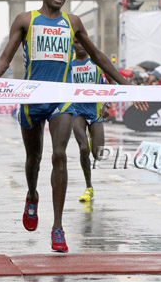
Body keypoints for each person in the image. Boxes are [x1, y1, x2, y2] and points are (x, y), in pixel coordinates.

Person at [0, 0, 147, 253]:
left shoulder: (72, 22)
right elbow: (4, 59)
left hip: (62, 99)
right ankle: (32, 194)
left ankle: (58, 227)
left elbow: (97, 55)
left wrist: (127, 86)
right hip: (31, 99)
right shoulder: (26, 20)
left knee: (59, 155)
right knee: (33, 159)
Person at [70, 37, 111, 203]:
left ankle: (90, 139)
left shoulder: (96, 62)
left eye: (82, 43)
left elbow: (111, 81)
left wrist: (107, 104)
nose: (79, 46)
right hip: (75, 109)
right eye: (76, 43)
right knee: (83, 149)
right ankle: (88, 186)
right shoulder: (69, 64)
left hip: (94, 111)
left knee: (98, 154)